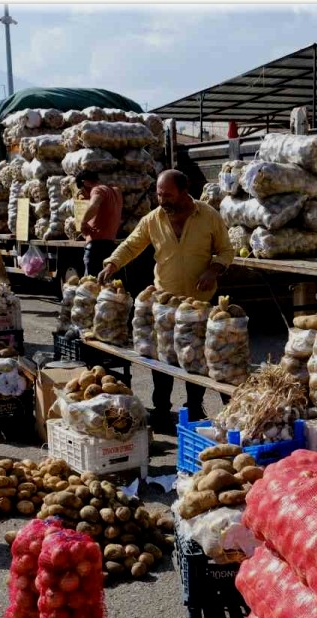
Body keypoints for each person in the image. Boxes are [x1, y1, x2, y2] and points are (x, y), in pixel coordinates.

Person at [100, 170, 234, 428]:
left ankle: (194, 408)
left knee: (195, 359)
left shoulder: (208, 216)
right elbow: (131, 244)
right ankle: (161, 409)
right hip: (165, 304)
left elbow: (226, 251)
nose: (162, 200)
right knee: (162, 358)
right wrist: (112, 263)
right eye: (159, 194)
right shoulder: (154, 219)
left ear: (184, 192)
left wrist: (213, 269)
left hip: (198, 304)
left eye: (167, 195)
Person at [74, 170, 123, 276]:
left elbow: (94, 205)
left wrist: (83, 222)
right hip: (110, 243)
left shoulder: (98, 190)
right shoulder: (116, 191)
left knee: (90, 283)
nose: (84, 194)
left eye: (82, 190)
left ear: (85, 183)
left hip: (95, 245)